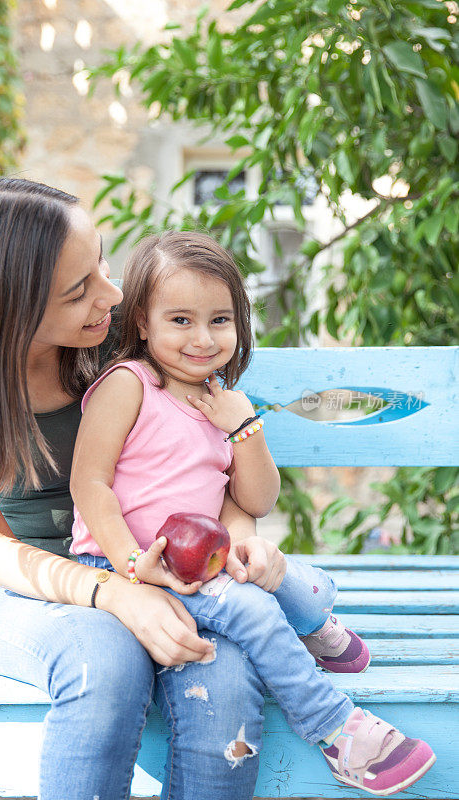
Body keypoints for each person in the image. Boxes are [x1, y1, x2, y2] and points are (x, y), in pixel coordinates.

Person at [0, 177, 304, 800]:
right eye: (79, 292)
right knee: (104, 662)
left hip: (171, 573)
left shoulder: (125, 355)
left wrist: (235, 546)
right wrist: (114, 593)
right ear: (10, 309)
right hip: (33, 595)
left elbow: (219, 473)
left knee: (227, 675)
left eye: (101, 260)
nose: (112, 292)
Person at [70, 230, 436, 797]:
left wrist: (243, 427)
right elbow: (89, 484)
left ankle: (313, 623)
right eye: (181, 320)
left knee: (295, 579)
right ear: (141, 320)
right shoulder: (129, 386)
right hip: (135, 566)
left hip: (201, 564)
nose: (203, 338)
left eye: (220, 320)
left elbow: (256, 500)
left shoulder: (221, 399)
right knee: (257, 613)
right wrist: (132, 561)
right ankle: (337, 729)